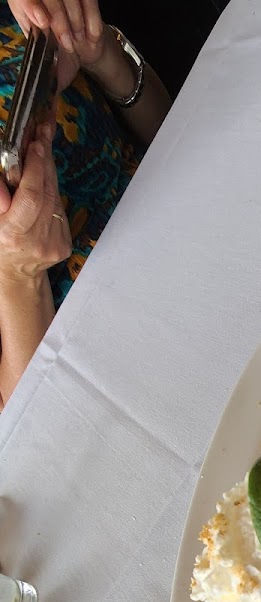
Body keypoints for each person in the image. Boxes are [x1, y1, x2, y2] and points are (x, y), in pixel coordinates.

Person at [0, 0, 171, 408]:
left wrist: (102, 56)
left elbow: (168, 129)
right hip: (122, 365)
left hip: (195, 211)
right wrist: (19, 279)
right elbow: (23, 426)